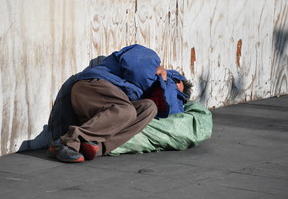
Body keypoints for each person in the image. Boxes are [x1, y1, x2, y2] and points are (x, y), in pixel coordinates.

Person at [47, 44, 191, 163]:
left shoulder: (148, 91)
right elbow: (135, 68)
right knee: (127, 111)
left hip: (108, 106)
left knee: (149, 108)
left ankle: (94, 144)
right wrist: (161, 76)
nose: (170, 90)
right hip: (92, 86)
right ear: (176, 78)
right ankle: (66, 142)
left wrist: (163, 86)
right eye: (174, 85)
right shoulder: (150, 58)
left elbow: (171, 112)